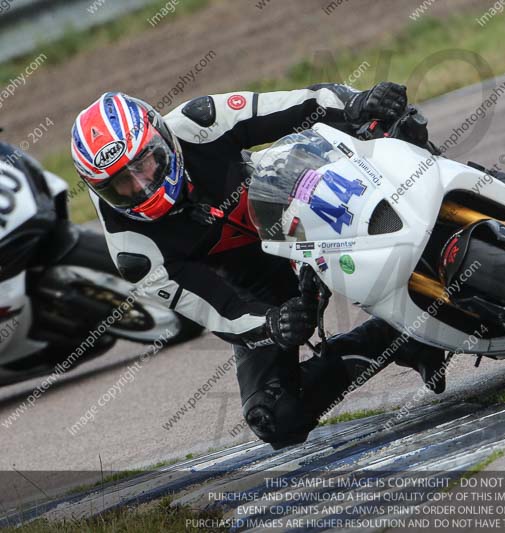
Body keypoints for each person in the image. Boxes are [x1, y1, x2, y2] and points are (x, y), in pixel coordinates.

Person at [70, 83, 453, 449]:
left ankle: (480, 201)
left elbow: (305, 104)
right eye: (123, 184)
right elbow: (221, 312)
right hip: (255, 282)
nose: (143, 186)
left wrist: (360, 103)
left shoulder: (200, 122)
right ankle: (400, 339)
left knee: (391, 128)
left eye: (146, 164)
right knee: (275, 417)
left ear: (161, 138)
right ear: (98, 189)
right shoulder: (134, 253)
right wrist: (270, 324)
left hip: (296, 206)